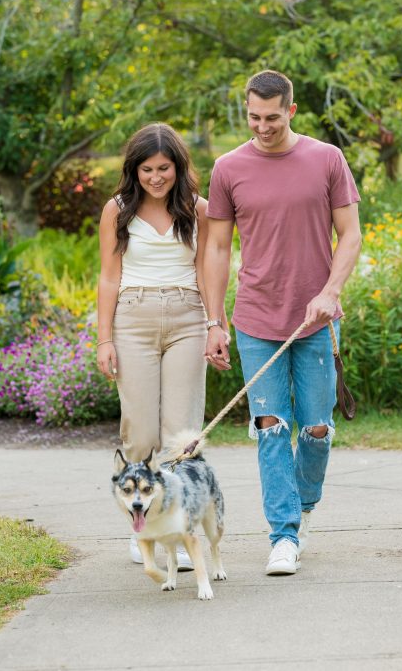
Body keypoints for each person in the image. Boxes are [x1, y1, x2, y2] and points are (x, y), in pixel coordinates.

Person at [203, 70, 362, 576]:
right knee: (271, 428)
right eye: (253, 116)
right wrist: (215, 319)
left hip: (315, 320)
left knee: (316, 429)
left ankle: (303, 505)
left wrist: (330, 292)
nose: (262, 126)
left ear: (291, 110)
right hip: (254, 318)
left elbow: (351, 235)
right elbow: (218, 248)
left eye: (272, 117)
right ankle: (284, 536)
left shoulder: (326, 158)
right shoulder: (229, 168)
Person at [96, 122, 227, 570]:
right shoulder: (117, 210)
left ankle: (180, 528)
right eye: (147, 169)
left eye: (164, 168)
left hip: (189, 315)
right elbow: (108, 276)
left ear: (178, 167)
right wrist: (105, 338)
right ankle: (145, 531)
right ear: (134, 170)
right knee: (141, 431)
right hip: (133, 318)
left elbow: (210, 269)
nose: (156, 177)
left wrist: (216, 325)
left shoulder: (200, 209)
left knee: (180, 433)